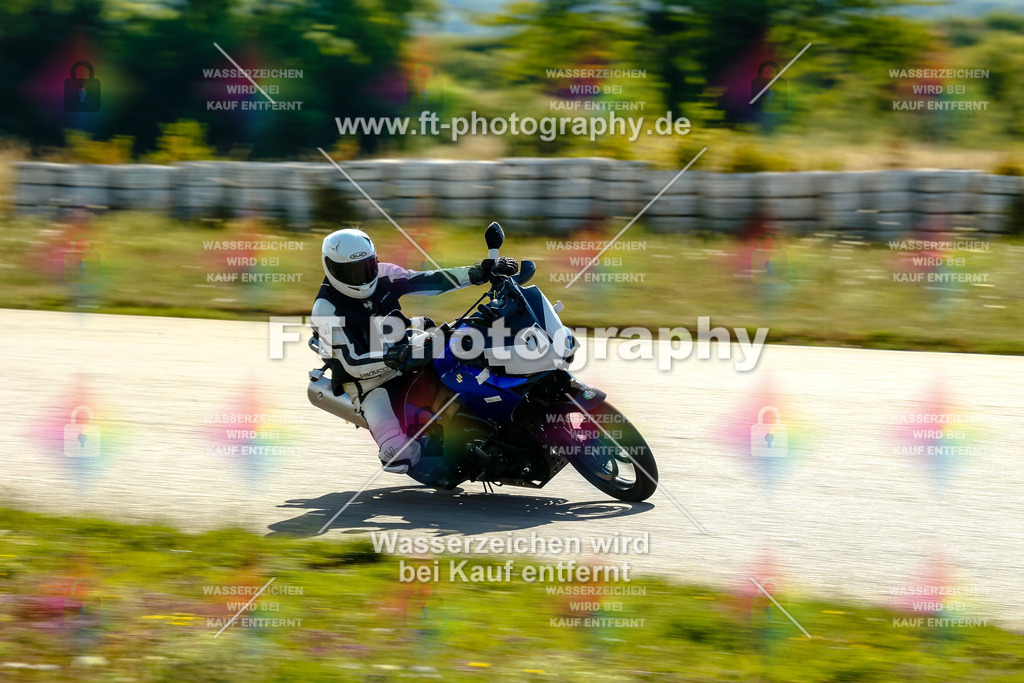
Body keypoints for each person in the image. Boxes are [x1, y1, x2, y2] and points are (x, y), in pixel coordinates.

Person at [310, 227, 518, 473]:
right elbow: (352, 363)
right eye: (350, 271)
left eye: (366, 267)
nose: (361, 278)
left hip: (409, 349)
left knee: (468, 342)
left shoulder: (384, 274)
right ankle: (438, 455)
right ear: (330, 267)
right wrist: (391, 358)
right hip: (370, 384)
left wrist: (478, 273)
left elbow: (430, 280)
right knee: (396, 456)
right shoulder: (325, 309)